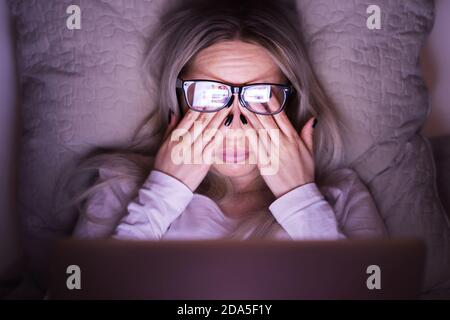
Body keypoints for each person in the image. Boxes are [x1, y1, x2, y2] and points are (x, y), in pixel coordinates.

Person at [70, 0, 387, 240]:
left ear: (291, 104)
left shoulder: (341, 197)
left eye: (261, 95)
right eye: (210, 94)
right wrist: (159, 198)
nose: (235, 123)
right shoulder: (122, 188)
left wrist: (304, 207)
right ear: (179, 100)